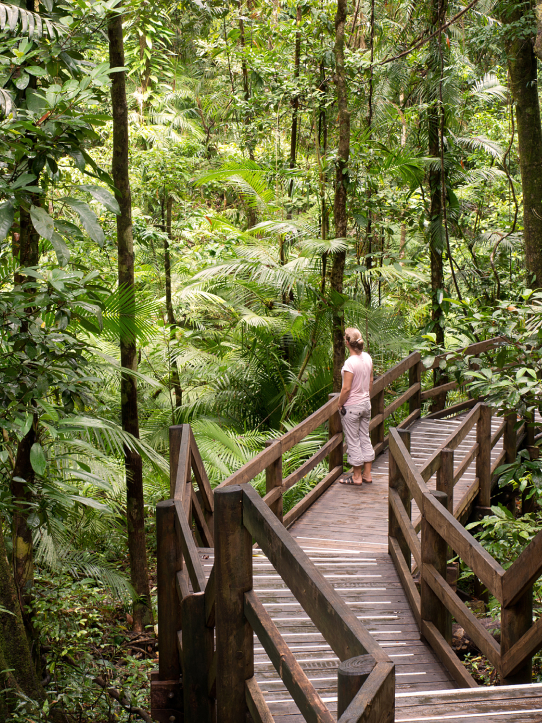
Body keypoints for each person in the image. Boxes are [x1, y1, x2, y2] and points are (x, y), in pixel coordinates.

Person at [337, 327, 375, 486]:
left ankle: (357, 476)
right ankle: (367, 474)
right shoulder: (367, 358)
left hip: (352, 406)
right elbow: (371, 381)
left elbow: (346, 388)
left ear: (347, 343)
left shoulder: (350, 363)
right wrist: (365, 396)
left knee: (353, 440)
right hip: (366, 404)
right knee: (364, 437)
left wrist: (340, 404)